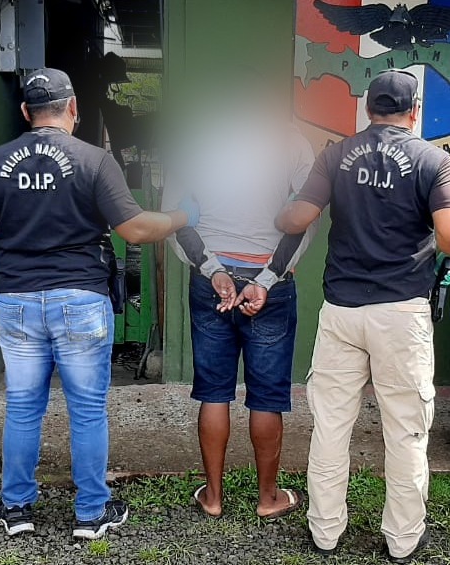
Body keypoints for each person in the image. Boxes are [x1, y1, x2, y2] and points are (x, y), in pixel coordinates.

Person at [0, 68, 194, 539]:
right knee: (87, 410)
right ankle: (91, 512)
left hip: (16, 300)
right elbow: (134, 229)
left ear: (25, 112)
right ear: (72, 108)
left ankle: (16, 508)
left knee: (22, 407)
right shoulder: (93, 160)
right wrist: (181, 215)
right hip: (80, 299)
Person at [277, 70, 450, 563]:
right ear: (415, 111)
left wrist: (280, 215)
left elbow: (298, 217)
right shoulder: (434, 160)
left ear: (368, 108)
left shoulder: (336, 155)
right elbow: (447, 237)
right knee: (406, 430)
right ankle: (403, 540)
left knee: (331, 426)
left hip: (342, 310)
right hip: (401, 312)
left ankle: (325, 532)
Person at [163, 85, 315, 521]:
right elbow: (305, 218)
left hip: (211, 283)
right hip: (271, 285)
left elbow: (175, 216)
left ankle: (213, 497)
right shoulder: (292, 142)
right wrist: (266, 279)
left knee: (214, 393)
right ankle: (268, 498)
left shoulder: (194, 141)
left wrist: (214, 271)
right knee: (267, 397)